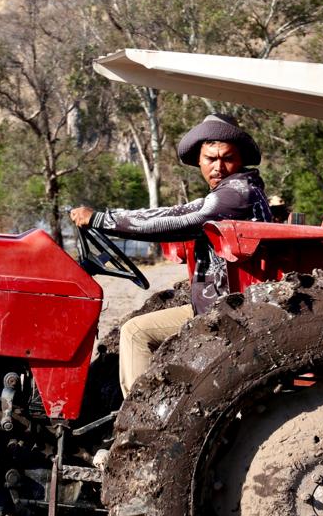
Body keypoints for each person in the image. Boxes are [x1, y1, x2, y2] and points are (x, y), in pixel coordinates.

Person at [70, 113, 271, 397]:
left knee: (137, 333)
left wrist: (103, 219)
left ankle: (140, 417)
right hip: (214, 306)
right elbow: (185, 212)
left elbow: (181, 218)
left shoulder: (238, 193)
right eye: (210, 159)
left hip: (232, 313)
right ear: (199, 162)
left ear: (240, 161)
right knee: (134, 330)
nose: (219, 167)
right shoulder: (230, 192)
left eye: (227, 158)